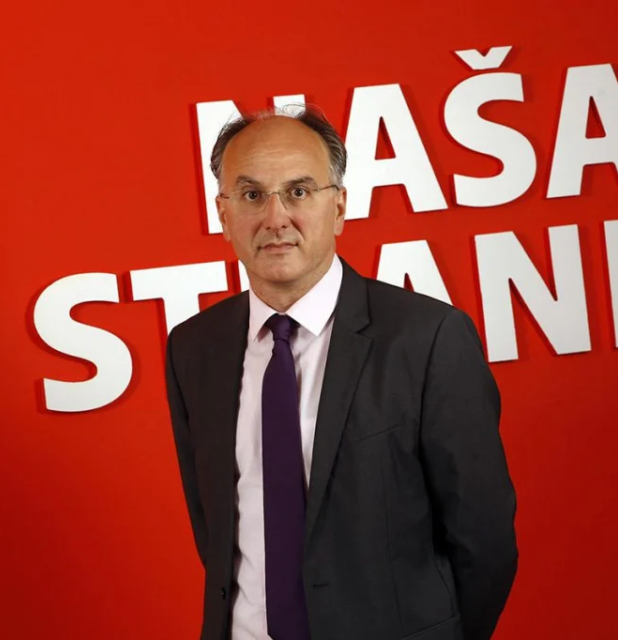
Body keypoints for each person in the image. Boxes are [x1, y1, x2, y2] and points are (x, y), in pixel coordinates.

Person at [164, 105, 518, 640]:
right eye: (252, 195)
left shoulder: (427, 339)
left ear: (340, 207)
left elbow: (484, 540)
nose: (275, 218)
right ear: (224, 213)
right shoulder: (194, 348)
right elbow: (213, 529)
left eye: (299, 191)